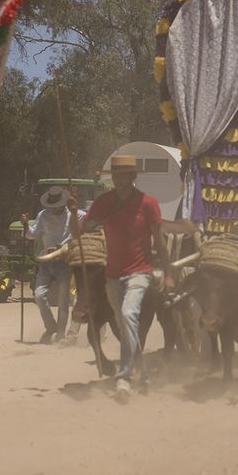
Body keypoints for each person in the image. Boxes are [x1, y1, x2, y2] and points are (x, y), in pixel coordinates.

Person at [70, 154, 169, 401]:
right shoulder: (103, 203)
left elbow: (160, 242)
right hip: (112, 276)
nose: (120, 180)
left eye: (125, 176)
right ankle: (142, 370)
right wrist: (73, 212)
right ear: (112, 178)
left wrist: (169, 274)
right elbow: (77, 233)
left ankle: (123, 378)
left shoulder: (148, 203)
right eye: (116, 176)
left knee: (127, 314)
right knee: (125, 326)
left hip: (140, 272)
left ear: (133, 177)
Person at [26, 186, 83, 343]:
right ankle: (51, 326)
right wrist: (25, 225)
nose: (54, 208)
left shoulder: (76, 215)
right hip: (46, 260)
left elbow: (83, 226)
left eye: (57, 204)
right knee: (38, 295)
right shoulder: (43, 215)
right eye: (52, 205)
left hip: (64, 260)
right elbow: (32, 234)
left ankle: (61, 334)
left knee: (63, 300)